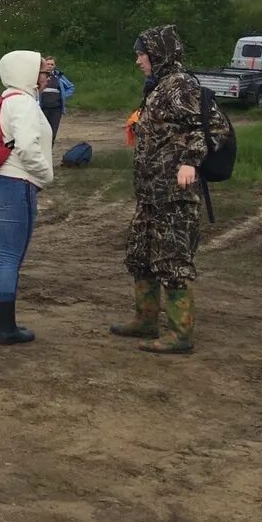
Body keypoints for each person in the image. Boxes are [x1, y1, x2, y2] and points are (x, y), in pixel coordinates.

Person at [110, 25, 211, 354]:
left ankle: (180, 334)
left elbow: (206, 127)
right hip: (150, 193)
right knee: (140, 255)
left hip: (174, 195)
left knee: (173, 260)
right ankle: (146, 319)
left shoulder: (181, 85)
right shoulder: (159, 86)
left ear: (159, 54)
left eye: (142, 54)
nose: (138, 60)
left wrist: (191, 161)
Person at [0, 50, 55, 345]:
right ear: (26, 73)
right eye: (41, 71)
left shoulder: (5, 100)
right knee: (10, 257)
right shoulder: (23, 103)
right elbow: (26, 147)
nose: (45, 77)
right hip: (15, 185)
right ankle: (7, 326)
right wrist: (45, 175)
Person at [39, 56, 64, 142]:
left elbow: (70, 87)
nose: (49, 66)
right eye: (48, 64)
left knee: (53, 131)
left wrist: (63, 95)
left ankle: (50, 151)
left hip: (56, 108)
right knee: (42, 131)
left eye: (52, 64)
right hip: (42, 107)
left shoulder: (59, 76)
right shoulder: (39, 76)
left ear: (55, 65)